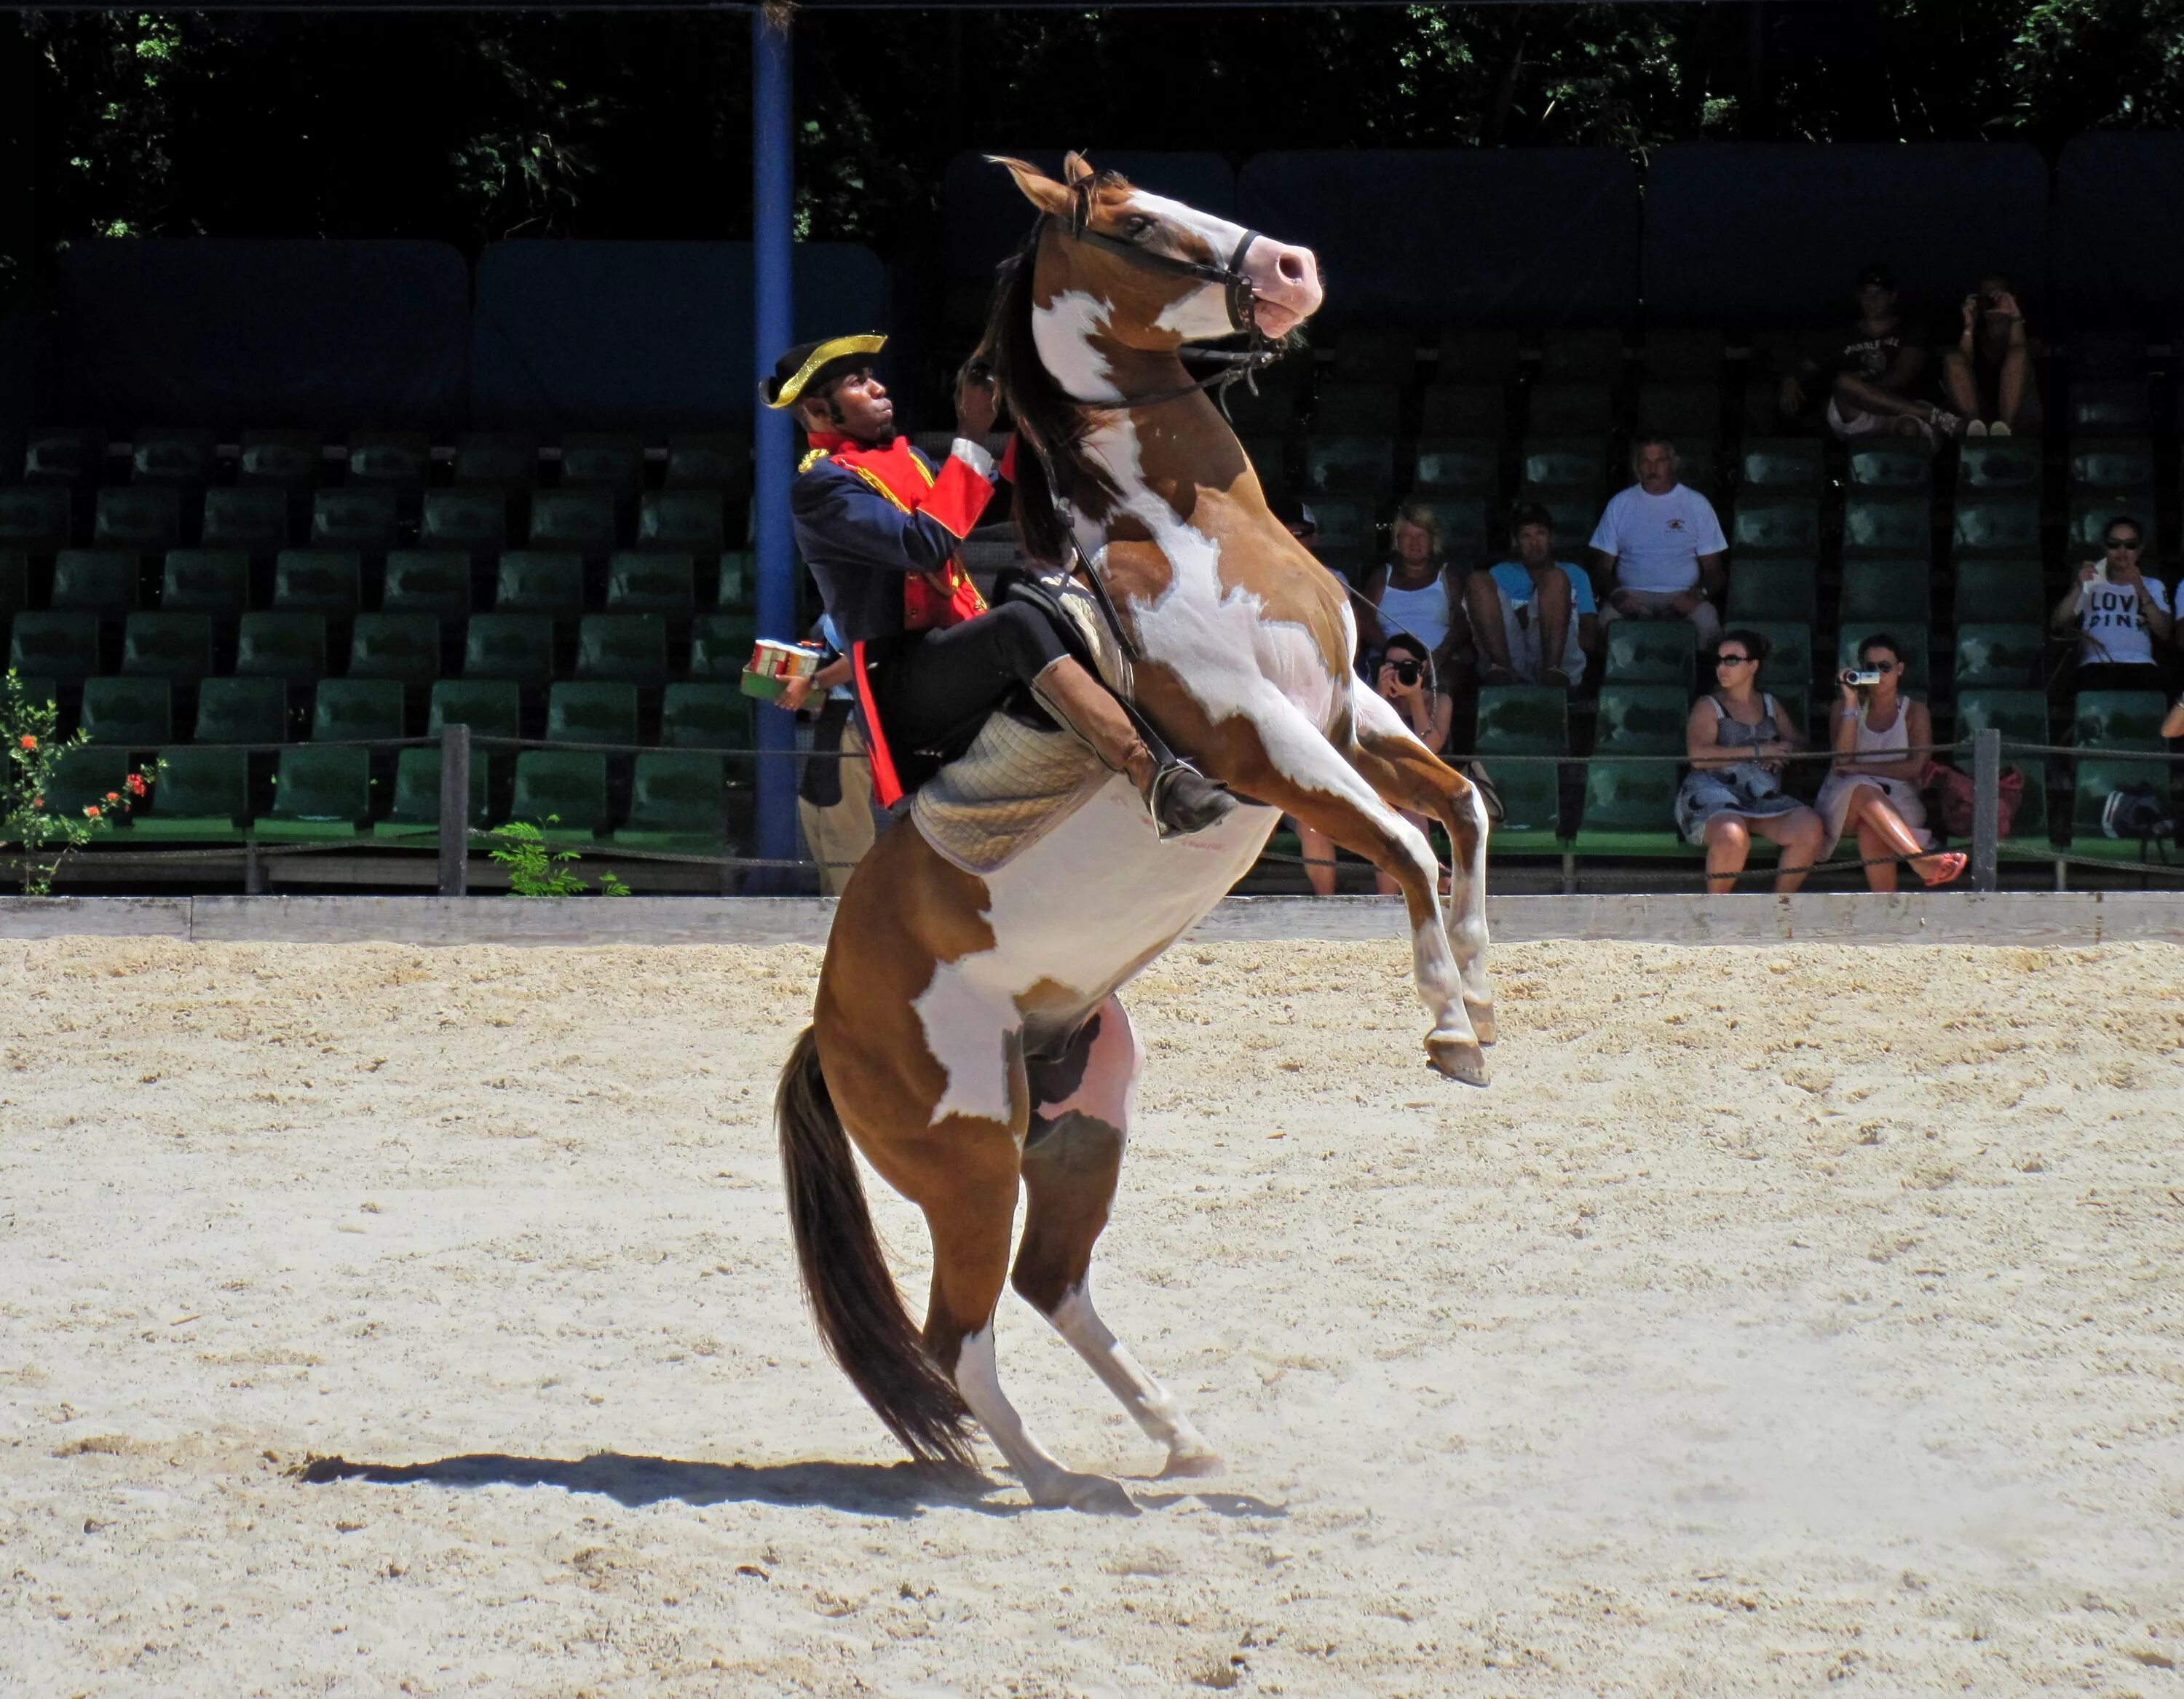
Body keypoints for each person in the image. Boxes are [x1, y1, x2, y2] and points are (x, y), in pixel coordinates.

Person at [764, 333, 1231, 838]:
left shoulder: (912, 461)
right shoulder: (822, 489)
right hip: (901, 677)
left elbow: (986, 504)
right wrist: (969, 430)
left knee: (1037, 595)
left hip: (951, 652)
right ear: (816, 408)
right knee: (1014, 623)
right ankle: (1150, 770)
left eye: (872, 377)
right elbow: (926, 545)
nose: (879, 388)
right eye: (858, 383)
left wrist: (1027, 422)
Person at [1674, 629, 1827, 894]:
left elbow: (1801, 744)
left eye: (1732, 660)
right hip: (1713, 795)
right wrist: (1758, 752)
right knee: (1732, 835)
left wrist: (1783, 752)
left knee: (1809, 826)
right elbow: (1697, 756)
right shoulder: (1708, 705)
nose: (1723, 667)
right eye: (1720, 661)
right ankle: (1716, 914)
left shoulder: (1770, 703)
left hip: (1762, 797)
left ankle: (1780, 907)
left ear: (1753, 665)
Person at [1814, 631, 1967, 891]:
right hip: (1845, 799)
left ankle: (1885, 907)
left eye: (1885, 667)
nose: (1878, 673)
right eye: (1870, 668)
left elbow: (1915, 768)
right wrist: (1851, 701)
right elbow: (1843, 760)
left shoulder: (1916, 712)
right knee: (1862, 789)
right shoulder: (1843, 708)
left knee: (1871, 826)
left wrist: (1861, 768)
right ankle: (1920, 862)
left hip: (1897, 801)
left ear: (1899, 670)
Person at [1782, 262, 1962, 443]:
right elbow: (1808, 364)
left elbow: (1901, 376)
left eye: (1879, 294)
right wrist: (1790, 378)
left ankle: (1926, 424)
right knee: (1843, 383)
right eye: (1866, 294)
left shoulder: (1911, 330)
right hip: (1857, 411)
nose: (1872, 300)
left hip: (1903, 405)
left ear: (1892, 297)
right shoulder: (1843, 334)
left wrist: (1865, 393)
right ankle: (1934, 416)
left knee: (1909, 428)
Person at [1588, 435, 1726, 649]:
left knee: (1707, 622)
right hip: (1631, 594)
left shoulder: (1697, 504)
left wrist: (1696, 596)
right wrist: (1617, 595)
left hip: (1683, 593)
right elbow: (1601, 568)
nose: (1653, 468)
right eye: (1646, 461)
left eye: (1659, 461)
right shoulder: (1619, 504)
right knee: (1606, 620)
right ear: (1637, 466)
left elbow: (1715, 570)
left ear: (1673, 463)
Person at [1465, 501, 1597, 688]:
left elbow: (1589, 637)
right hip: (1510, 655)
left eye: (1541, 533)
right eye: (1526, 536)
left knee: (1556, 579)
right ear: (1516, 542)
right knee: (1477, 580)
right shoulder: (1499, 574)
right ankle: (1503, 671)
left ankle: (1552, 671)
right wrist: (1527, 616)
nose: (1534, 543)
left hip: (1560, 657)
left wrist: (1552, 617)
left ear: (1552, 537)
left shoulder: (1575, 574)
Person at [1368, 633, 1456, 898]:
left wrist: (1415, 698)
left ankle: (1424, 886)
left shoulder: (1440, 701)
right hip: (1382, 788)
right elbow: (1362, 742)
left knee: (1405, 814)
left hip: (1429, 793)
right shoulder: (1370, 700)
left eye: (1406, 666)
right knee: (1393, 823)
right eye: (1392, 666)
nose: (1398, 673)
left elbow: (1427, 749)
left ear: (1423, 668)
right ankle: (1431, 878)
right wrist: (1380, 699)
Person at [795, 612, 877, 896]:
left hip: (853, 721)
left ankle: (860, 927)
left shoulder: (866, 596)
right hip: (829, 721)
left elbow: (863, 658)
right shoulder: (833, 598)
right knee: (816, 813)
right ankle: (834, 927)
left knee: (845, 831)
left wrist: (814, 683)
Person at [2051, 516, 2173, 692]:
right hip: (2095, 665)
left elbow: (2164, 632)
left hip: (2141, 665)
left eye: (2130, 545)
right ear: (2105, 548)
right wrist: (2079, 587)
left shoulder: (2153, 585)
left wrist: (2140, 588)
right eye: (2114, 544)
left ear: (2140, 550)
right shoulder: (2090, 584)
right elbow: (2058, 622)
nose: (2122, 551)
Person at [1357, 503, 1471, 690]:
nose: (1415, 543)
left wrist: (1440, 655)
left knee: (1442, 685)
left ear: (1433, 541)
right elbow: (1364, 619)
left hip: (1438, 661)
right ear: (1397, 541)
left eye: (1421, 536)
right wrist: (1394, 655)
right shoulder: (1381, 575)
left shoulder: (1448, 575)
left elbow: (1462, 620)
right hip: (1388, 660)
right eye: (1408, 536)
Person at [1940, 273, 2038, 438]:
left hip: (2020, 414)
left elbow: (2021, 354)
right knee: (1953, 358)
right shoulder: (1974, 336)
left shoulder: (2025, 331)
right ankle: (1977, 432)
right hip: (1975, 413)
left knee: (2019, 355)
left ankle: (2003, 432)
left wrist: (2014, 315)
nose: (1992, 300)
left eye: (1998, 295)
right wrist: (1969, 324)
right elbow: (1960, 367)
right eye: (1986, 296)